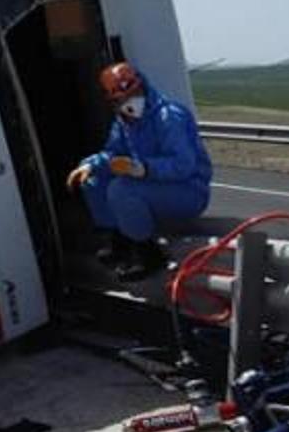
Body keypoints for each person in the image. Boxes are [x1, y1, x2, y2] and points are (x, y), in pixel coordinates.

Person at [67, 62, 213, 282]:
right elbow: (112, 153)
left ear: (142, 86)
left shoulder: (168, 117)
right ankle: (120, 240)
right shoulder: (124, 122)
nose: (128, 102)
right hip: (157, 184)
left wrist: (145, 168)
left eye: (132, 94)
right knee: (96, 179)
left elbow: (184, 165)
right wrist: (91, 164)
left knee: (122, 188)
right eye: (120, 99)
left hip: (189, 190)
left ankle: (149, 254)